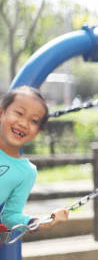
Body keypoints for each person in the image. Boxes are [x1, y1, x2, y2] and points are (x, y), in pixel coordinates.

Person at [0, 86, 69, 232]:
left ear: (38, 132)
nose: (23, 124)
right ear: (1, 113)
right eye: (19, 113)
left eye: (33, 121)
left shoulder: (26, 172)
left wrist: (43, 222)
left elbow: (10, 216)